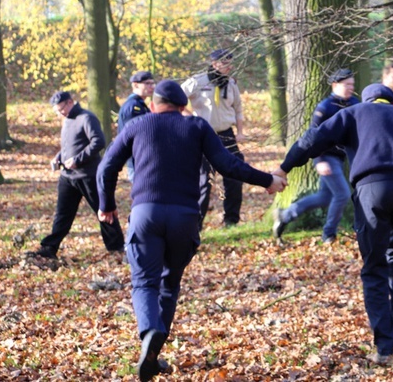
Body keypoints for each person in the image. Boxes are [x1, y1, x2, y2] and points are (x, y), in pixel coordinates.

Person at [96, 80, 287, 381]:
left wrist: (106, 205)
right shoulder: (196, 126)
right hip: (185, 217)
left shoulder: (138, 125)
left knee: (144, 283)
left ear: (155, 103)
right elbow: (227, 165)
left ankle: (149, 333)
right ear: (183, 106)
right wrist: (266, 180)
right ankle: (154, 352)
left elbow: (106, 167)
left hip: (145, 213)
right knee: (169, 284)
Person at [272, 83, 393, 364]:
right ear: (392, 102)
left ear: (366, 100)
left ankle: (385, 346)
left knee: (374, 266)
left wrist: (284, 167)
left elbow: (312, 139)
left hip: (373, 188)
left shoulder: (353, 113)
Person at [26, 91, 124, 260]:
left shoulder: (86, 118)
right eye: (57, 111)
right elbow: (69, 147)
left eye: (61, 109)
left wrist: (78, 160)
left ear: (70, 102)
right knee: (63, 213)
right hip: (68, 177)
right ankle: (49, 247)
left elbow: (98, 141)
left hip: (88, 175)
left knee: (103, 210)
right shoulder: (67, 121)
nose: (59, 113)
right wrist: (58, 158)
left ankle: (117, 247)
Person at [273, 68, 360, 243]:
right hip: (326, 158)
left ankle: (285, 214)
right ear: (335, 85)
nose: (351, 88)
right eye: (347, 84)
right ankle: (329, 234)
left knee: (324, 197)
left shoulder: (355, 104)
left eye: (352, 84)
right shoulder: (325, 107)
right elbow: (312, 136)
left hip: (341, 158)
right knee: (342, 194)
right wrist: (319, 160)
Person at [181, 49, 247, 228]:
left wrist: (240, 132)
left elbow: (238, 109)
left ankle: (231, 220)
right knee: (204, 181)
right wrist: (191, 118)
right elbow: (177, 99)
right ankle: (196, 223)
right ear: (214, 63)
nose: (228, 66)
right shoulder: (198, 81)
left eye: (230, 63)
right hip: (203, 135)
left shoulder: (231, 84)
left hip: (226, 135)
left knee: (234, 176)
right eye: (224, 63)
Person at [118, 71, 155, 182]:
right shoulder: (134, 107)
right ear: (135, 85)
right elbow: (137, 135)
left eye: (152, 83)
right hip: (136, 157)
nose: (151, 87)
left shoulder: (140, 105)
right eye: (147, 83)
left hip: (141, 156)